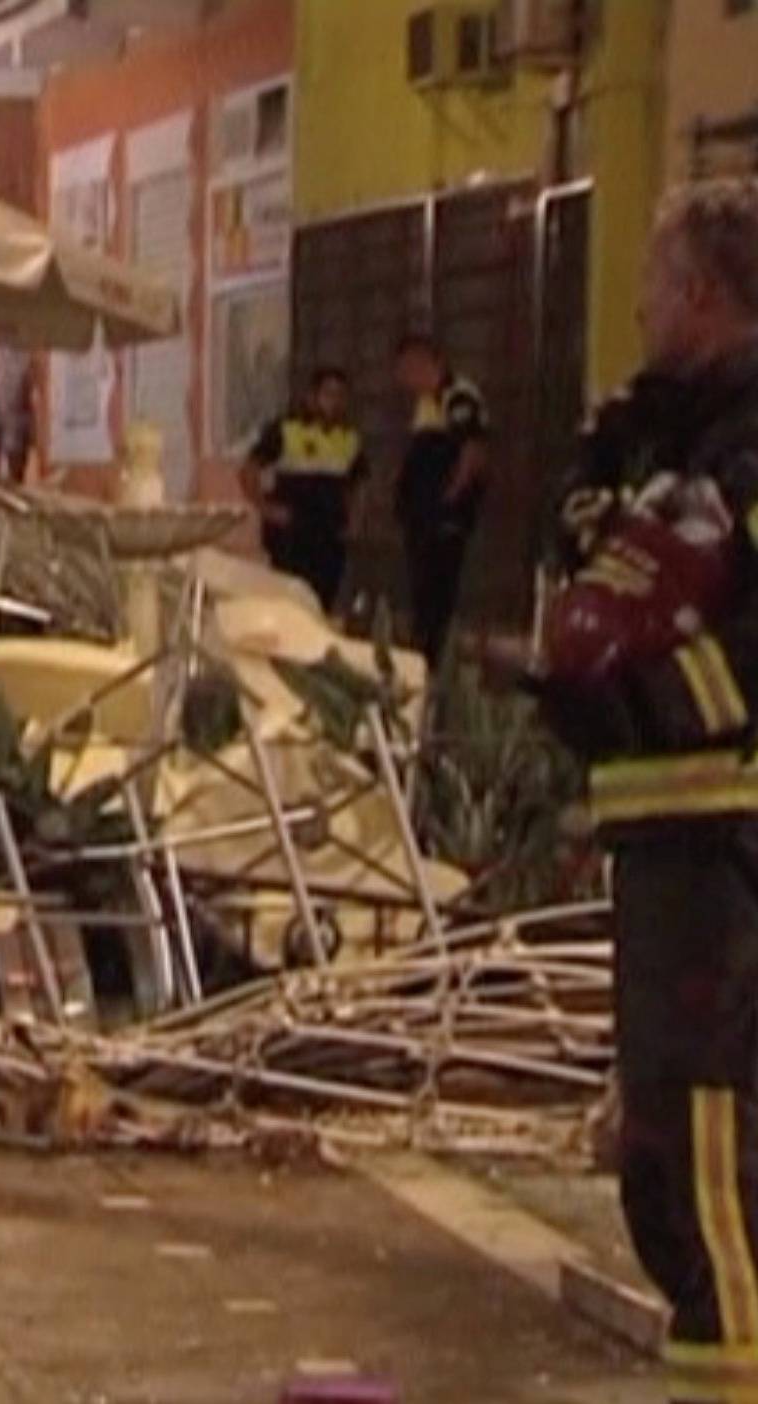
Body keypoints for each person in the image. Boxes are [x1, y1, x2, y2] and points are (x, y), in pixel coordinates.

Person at [531, 178, 758, 1404]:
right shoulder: (669, 434)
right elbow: (619, 581)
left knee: (714, 1150)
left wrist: (656, 702)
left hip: (725, 827)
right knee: (672, 1145)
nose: (636, 308)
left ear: (704, 294)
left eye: (652, 286)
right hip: (669, 823)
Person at [393, 332, 490, 664]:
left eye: (406, 369)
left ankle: (434, 660)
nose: (403, 379)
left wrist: (449, 499)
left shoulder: (458, 395)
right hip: (421, 518)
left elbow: (472, 450)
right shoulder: (425, 404)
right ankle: (424, 656)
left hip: (442, 518)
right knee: (422, 595)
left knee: (437, 594)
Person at [239, 367, 369, 613]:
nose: (334, 401)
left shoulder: (349, 438)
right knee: (289, 599)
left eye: (340, 395)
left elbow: (360, 482)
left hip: (330, 530)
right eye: (328, 393)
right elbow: (248, 470)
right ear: (311, 396)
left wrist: (355, 520)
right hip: (292, 530)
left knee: (323, 600)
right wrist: (266, 509)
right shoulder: (287, 430)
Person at [0, 344, 37, 484]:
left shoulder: (27, 354)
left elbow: (29, 391)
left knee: (15, 468)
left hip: (16, 418)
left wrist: (31, 426)